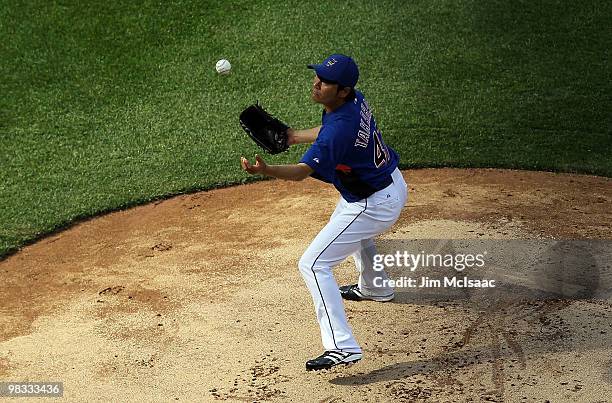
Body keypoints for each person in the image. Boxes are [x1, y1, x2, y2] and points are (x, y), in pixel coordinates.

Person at [240, 54, 408, 371]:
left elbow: (303, 171)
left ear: (342, 90)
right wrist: (292, 136)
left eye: (325, 81)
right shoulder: (353, 102)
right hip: (389, 184)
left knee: (313, 264)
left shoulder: (339, 131)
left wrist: (266, 170)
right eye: (317, 76)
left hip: (373, 203)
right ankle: (376, 286)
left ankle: (342, 347)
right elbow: (330, 128)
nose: (316, 83)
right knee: (349, 227)